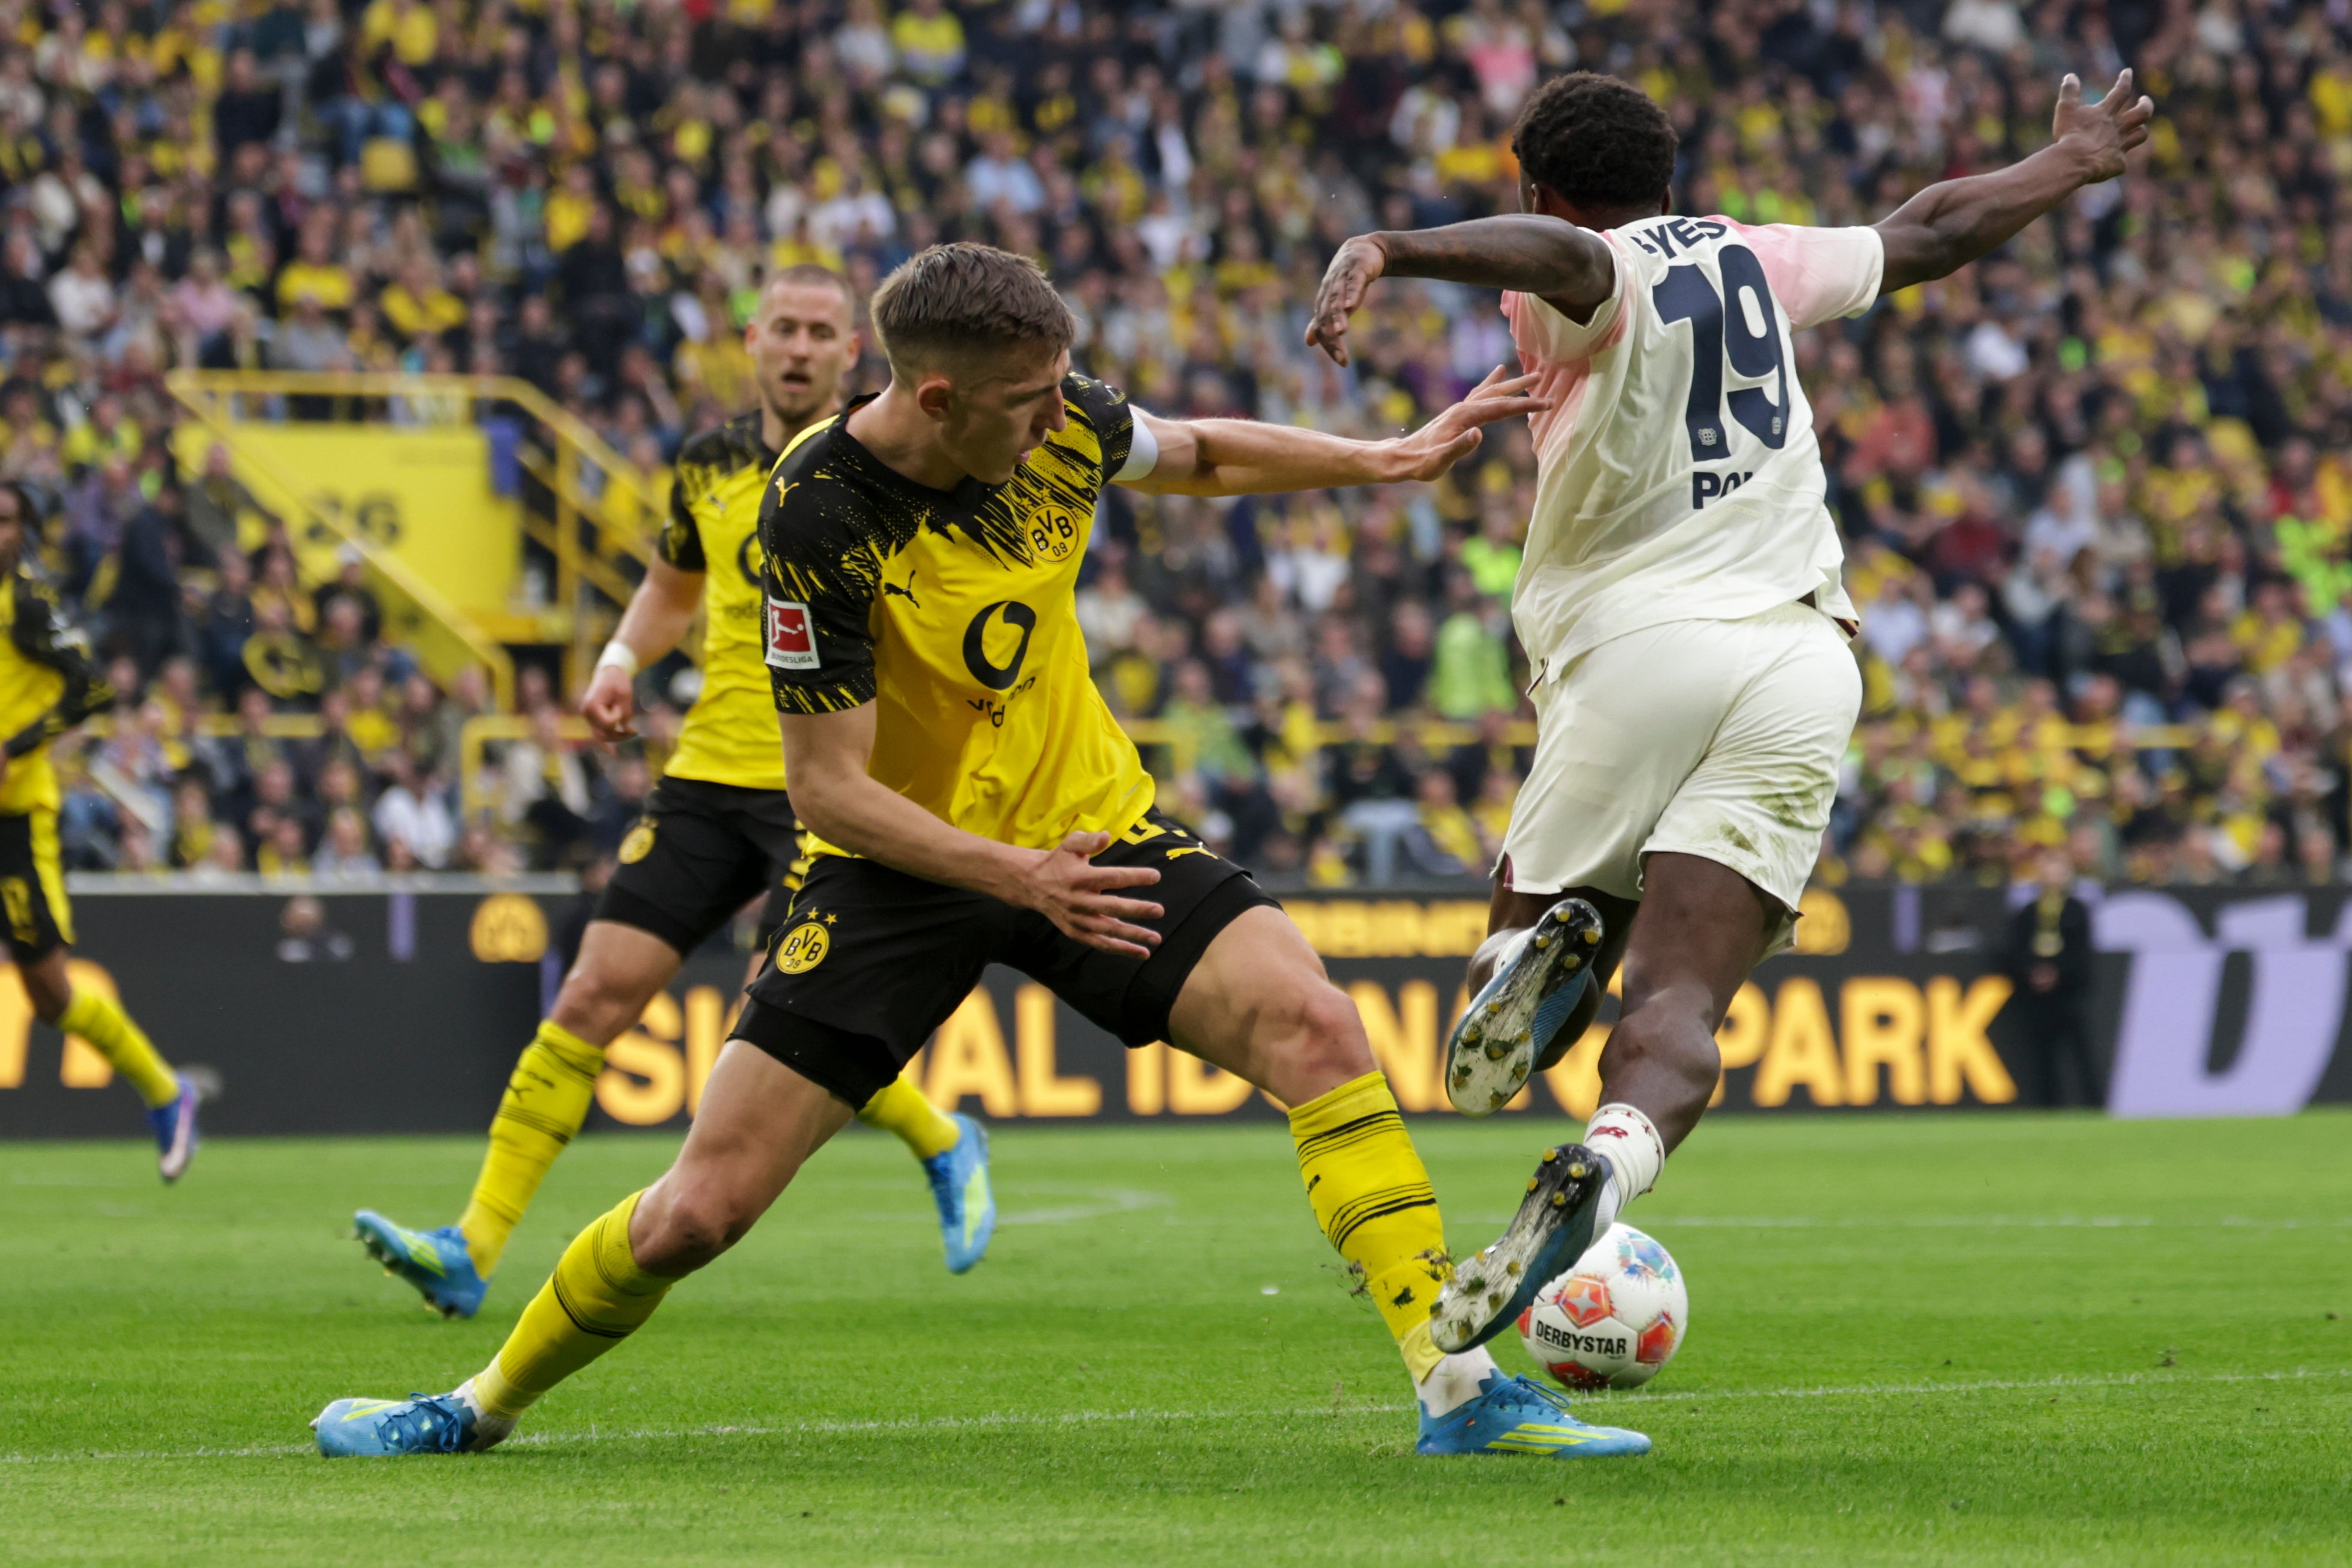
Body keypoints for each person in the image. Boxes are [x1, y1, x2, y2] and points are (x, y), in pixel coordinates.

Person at [312, 241, 1648, 1462]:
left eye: (1062, 388)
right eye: (1025, 401)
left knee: (1315, 1026)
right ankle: (475, 1404)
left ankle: (1456, 1386)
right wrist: (1015, 878)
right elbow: (827, 791)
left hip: (1087, 821)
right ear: (936, 398)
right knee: (696, 1213)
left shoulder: (1051, 415)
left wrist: (1383, 458)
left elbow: (1191, 454)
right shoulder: (816, 514)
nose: (1059, 418)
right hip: (901, 868)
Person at [1305, 69, 2153, 1353]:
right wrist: (2071, 163)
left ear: (1538, 190)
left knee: (1503, 1015)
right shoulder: (1754, 257)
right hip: (1804, 656)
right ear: (1671, 181)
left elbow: (1572, 261)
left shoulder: (1578, 270)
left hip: (1638, 645)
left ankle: (1548, 944)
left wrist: (1389, 246)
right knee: (1684, 1002)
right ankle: (1607, 1161)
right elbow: (1930, 231)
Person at [348, 267, 995, 1321]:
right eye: (782, 327)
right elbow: (671, 586)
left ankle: (941, 1134)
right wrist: (617, 661)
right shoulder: (704, 462)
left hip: (826, 780)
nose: (798, 347)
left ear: (852, 352)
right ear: (750, 341)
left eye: (819, 332)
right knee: (591, 995)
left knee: (788, 1024)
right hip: (705, 772)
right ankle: (472, 1244)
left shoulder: (889, 459)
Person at [0, 483, 204, 1179]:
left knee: (50, 995)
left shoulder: (28, 604)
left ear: (23, 531)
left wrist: (14, 747)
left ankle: (166, 1090)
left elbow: (91, 688)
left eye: (6, 520)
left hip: (16, 820)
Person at [2001, 849, 2101, 1108]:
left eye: (2058, 870)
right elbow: (2016, 950)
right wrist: (2033, 972)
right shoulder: (2028, 912)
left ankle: (2094, 1104)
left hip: (2069, 993)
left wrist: (2058, 972)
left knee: (2081, 1052)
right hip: (2037, 997)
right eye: (2047, 870)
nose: (2052, 876)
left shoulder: (2077, 910)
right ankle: (2048, 1106)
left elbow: (2082, 952)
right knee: (2042, 1055)